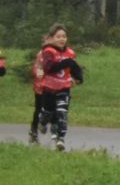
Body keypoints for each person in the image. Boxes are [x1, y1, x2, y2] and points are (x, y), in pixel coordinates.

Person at [30, 24, 82, 152]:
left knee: (60, 112)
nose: (61, 39)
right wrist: (39, 76)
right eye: (58, 36)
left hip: (62, 86)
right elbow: (40, 68)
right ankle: (37, 128)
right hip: (44, 86)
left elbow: (72, 67)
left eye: (63, 36)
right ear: (51, 38)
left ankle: (59, 137)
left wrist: (75, 78)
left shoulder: (68, 53)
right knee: (43, 110)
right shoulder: (44, 52)